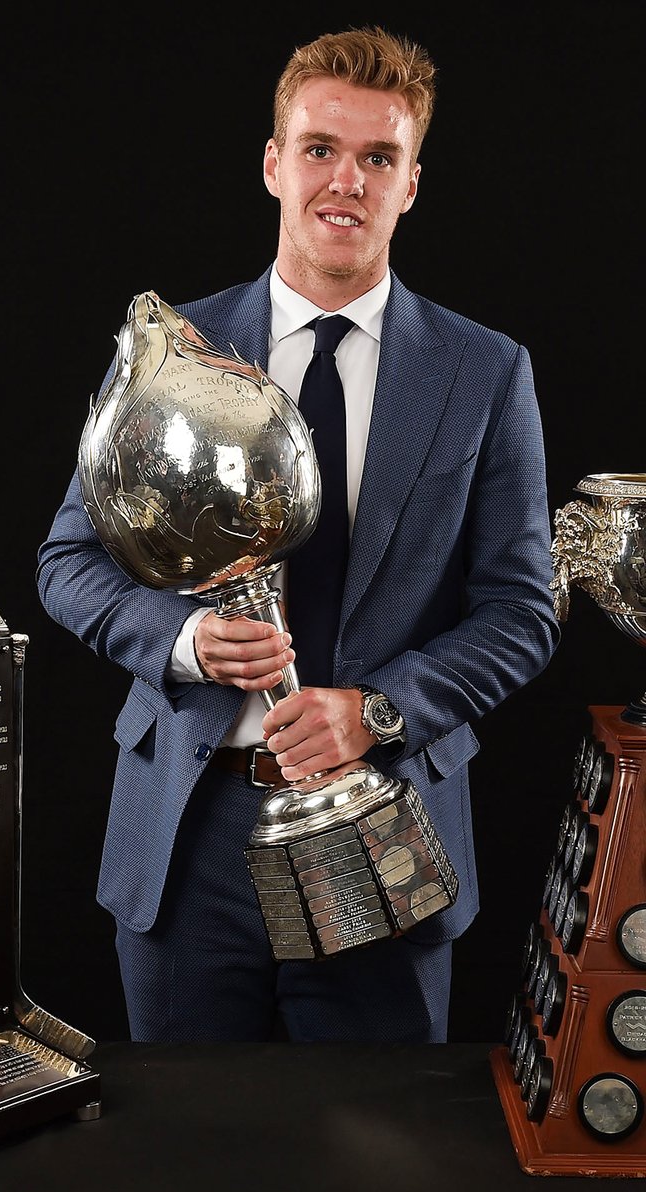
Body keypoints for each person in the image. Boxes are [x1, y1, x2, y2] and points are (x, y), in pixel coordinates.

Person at [36, 26, 559, 1042]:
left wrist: (380, 709)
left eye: (379, 158)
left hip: (385, 824)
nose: (345, 182)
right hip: (188, 832)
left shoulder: (486, 372)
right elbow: (68, 562)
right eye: (320, 148)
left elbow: (521, 612)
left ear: (410, 183)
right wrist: (184, 643)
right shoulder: (166, 350)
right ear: (275, 162)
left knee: (375, 1158)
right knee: (189, 1160)